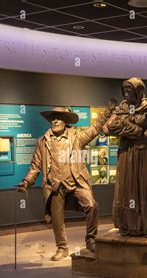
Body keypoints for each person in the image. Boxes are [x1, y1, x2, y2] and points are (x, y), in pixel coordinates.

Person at [17, 102, 116, 261]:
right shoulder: (42, 141)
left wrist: (108, 111)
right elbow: (35, 166)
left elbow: (95, 128)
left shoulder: (76, 137)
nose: (55, 121)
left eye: (59, 118)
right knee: (57, 218)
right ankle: (62, 247)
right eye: (53, 118)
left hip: (76, 181)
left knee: (91, 205)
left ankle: (91, 239)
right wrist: (26, 182)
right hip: (54, 186)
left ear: (65, 121)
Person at [103, 77, 147, 237]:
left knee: (143, 187)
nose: (127, 94)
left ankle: (146, 225)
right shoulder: (122, 107)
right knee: (126, 187)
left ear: (138, 91)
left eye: (130, 90)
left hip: (143, 154)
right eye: (125, 90)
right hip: (126, 153)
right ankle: (127, 225)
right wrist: (135, 131)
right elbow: (108, 128)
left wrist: (133, 131)